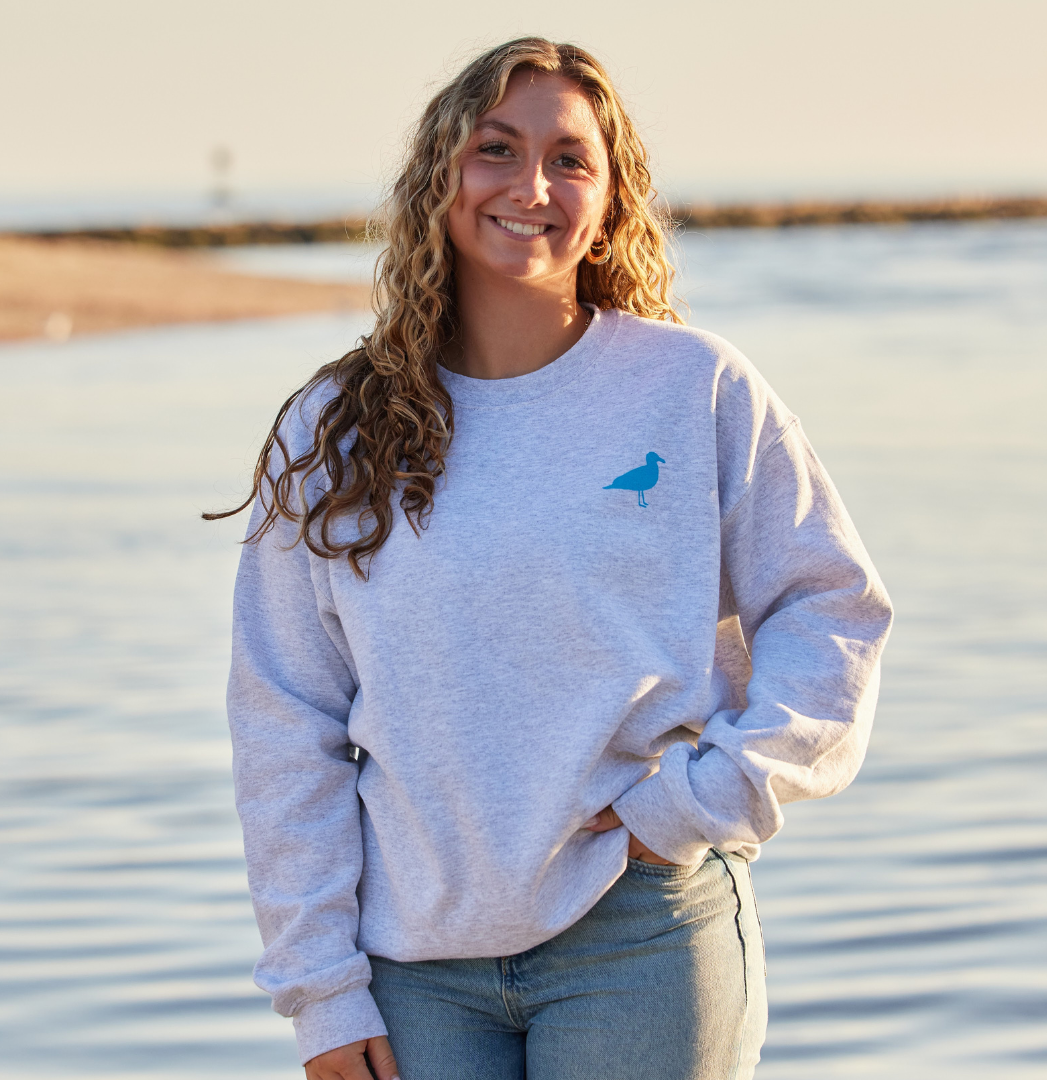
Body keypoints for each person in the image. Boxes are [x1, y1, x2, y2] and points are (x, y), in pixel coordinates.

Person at [214, 37, 893, 1080]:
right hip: (410, 965)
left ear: (612, 201)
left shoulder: (694, 389)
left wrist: (700, 802)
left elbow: (831, 609)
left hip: (640, 933)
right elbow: (284, 720)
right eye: (496, 149)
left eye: (570, 160)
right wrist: (319, 988)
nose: (531, 187)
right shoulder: (334, 429)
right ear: (439, 178)